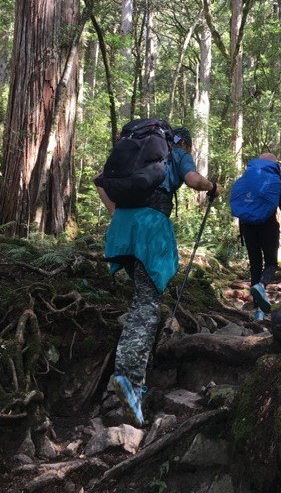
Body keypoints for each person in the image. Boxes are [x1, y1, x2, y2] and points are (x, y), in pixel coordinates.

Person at [96, 125, 221, 427]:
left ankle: (128, 381)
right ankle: (127, 381)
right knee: (146, 307)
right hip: (150, 229)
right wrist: (212, 186)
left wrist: (116, 214)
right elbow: (193, 180)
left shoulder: (138, 153)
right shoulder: (179, 155)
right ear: (185, 143)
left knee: (141, 296)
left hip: (123, 227)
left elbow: (101, 181)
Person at [239, 153, 281, 322]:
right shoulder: (274, 176)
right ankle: (262, 286)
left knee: (255, 265)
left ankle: (258, 312)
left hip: (247, 223)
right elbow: (279, 199)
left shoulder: (248, 174)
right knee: (271, 262)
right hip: (267, 223)